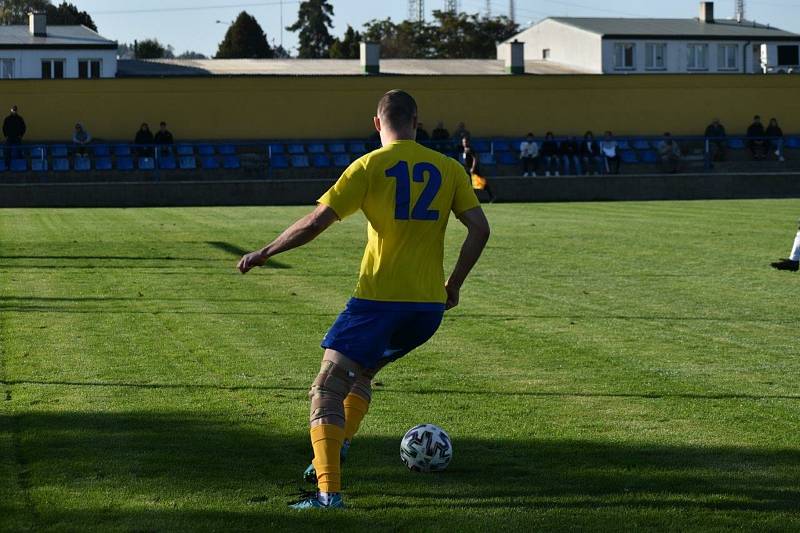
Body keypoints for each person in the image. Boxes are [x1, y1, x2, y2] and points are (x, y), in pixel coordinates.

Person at [237, 89, 490, 510]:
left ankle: (328, 493)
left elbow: (317, 221)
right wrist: (454, 285)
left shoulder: (369, 165)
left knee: (327, 387)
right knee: (363, 374)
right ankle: (340, 445)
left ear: (377, 123)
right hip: (426, 310)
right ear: (417, 121)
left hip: (378, 301)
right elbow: (480, 229)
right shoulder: (448, 168)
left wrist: (265, 252)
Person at [461, 136, 495, 202]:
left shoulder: (470, 149)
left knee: (481, 182)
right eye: (463, 142)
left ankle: (491, 196)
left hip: (473, 170)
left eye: (465, 142)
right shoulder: (464, 150)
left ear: (468, 142)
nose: (464, 143)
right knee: (470, 184)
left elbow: (475, 158)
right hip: (468, 169)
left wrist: (473, 168)